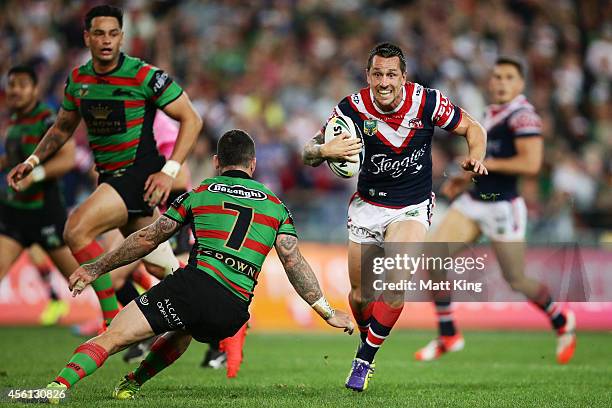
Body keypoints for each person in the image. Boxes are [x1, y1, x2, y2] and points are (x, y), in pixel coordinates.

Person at [43, 129, 354, 401]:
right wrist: (327, 311)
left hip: (194, 287)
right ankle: (131, 384)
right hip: (233, 313)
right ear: (253, 165)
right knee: (184, 329)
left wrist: (96, 267)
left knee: (112, 337)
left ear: (217, 162)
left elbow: (149, 238)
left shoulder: (201, 193)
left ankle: (55, 387)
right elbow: (293, 262)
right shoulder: (276, 206)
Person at [302, 42, 488, 391]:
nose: (384, 82)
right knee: (360, 296)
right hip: (367, 207)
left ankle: (363, 361)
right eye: (377, 74)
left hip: (411, 207)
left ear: (404, 77)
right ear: (367, 76)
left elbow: (473, 128)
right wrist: (325, 150)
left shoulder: (428, 102)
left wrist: (476, 156)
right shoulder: (351, 108)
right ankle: (366, 339)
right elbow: (308, 152)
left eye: (391, 74)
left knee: (396, 282)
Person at [6, 5, 202, 328]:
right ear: (87, 37)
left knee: (76, 229)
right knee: (160, 267)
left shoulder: (144, 76)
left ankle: (111, 318)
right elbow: (61, 129)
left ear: (122, 37)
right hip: (112, 179)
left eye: (113, 34)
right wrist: (32, 160)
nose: (107, 40)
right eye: (99, 33)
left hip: (138, 175)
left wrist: (168, 172)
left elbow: (192, 119)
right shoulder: (79, 81)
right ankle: (225, 324)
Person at [414, 57, 576, 364]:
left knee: (516, 279)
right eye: (496, 76)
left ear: (520, 84)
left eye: (508, 77)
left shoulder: (523, 116)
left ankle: (560, 319)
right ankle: (448, 333)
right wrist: (465, 180)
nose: (500, 82)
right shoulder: (489, 114)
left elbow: (531, 164)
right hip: (475, 201)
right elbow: (484, 161)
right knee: (434, 255)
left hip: (503, 206)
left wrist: (487, 165)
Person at [0, 65, 81, 304]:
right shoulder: (15, 121)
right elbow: (15, 159)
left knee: (82, 276)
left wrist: (33, 176)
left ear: (35, 89)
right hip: (14, 213)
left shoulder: (47, 119)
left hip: (45, 213)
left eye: (22, 85)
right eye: (12, 84)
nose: (15, 90)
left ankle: (131, 282)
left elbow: (68, 158)